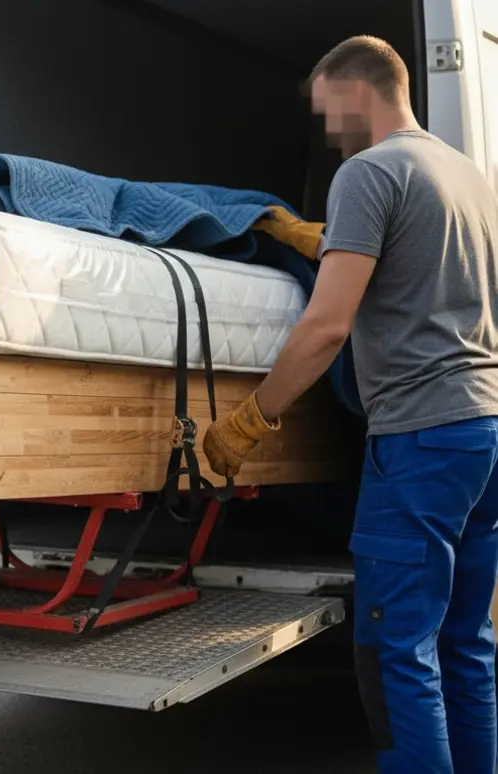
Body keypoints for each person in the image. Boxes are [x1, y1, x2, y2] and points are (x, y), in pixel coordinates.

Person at [202, 36, 498, 774]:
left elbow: (327, 325)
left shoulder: (370, 172)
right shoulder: (471, 179)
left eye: (328, 110)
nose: (328, 131)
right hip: (485, 433)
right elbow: (429, 278)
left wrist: (252, 419)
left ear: (358, 91)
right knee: (466, 643)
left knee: (396, 649)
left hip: (423, 441)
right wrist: (329, 241)